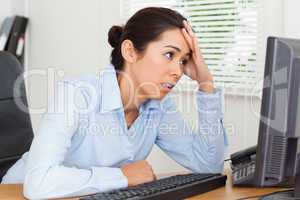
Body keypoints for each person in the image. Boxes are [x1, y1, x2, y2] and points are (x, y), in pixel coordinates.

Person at [1, 7, 228, 199]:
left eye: (184, 61)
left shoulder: (159, 106)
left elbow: (208, 167)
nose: (178, 71)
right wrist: (122, 177)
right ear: (130, 51)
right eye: (169, 55)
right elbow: (38, 183)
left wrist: (206, 84)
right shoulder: (77, 95)